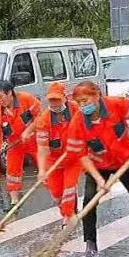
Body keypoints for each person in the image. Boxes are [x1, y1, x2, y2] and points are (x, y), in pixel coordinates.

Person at [66, 81, 129, 255]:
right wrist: (98, 180)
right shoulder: (77, 123)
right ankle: (90, 243)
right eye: (79, 102)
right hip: (98, 164)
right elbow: (81, 155)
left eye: (86, 100)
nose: (83, 105)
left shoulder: (117, 105)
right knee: (89, 201)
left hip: (126, 160)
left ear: (97, 95)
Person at [0, 80, 41, 211]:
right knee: (12, 172)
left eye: (1, 96)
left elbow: (41, 117)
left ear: (10, 92)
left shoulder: (26, 99)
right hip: (14, 142)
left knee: (46, 166)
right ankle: (14, 200)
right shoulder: (0, 109)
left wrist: (29, 130)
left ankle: (59, 193)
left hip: (34, 139)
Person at [35, 82, 82, 227]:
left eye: (57, 100)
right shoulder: (44, 120)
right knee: (56, 195)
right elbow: (42, 148)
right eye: (51, 100)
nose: (54, 104)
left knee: (68, 188)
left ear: (64, 98)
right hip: (53, 160)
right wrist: (42, 170)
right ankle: (68, 211)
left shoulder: (76, 110)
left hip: (73, 158)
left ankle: (69, 217)